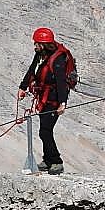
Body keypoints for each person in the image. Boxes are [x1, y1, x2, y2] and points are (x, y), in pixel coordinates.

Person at [17, 27, 72, 175]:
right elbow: (32, 70)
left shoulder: (57, 59)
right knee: (44, 130)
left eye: (37, 43)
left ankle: (56, 162)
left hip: (54, 99)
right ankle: (48, 161)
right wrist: (23, 87)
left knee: (45, 131)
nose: (35, 46)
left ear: (44, 44)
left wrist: (62, 103)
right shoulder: (40, 55)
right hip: (44, 97)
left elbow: (61, 82)